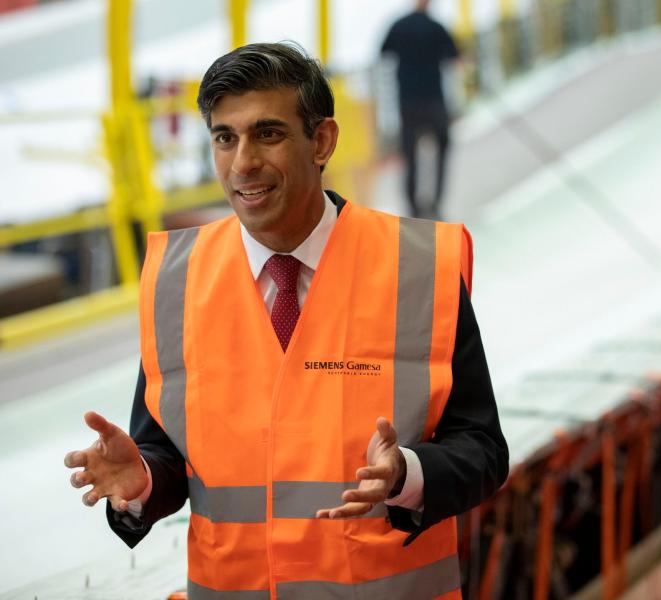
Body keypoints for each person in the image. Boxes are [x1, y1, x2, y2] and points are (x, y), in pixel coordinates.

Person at [63, 42, 508, 598]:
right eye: (225, 138)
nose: (242, 163)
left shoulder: (418, 267)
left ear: (321, 141)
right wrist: (143, 483)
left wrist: (407, 475)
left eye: (267, 134)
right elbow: (169, 455)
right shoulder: (177, 281)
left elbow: (483, 449)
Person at [381, 0, 460, 219]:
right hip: (433, 99)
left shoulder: (398, 26)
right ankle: (435, 201)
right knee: (442, 148)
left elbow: (384, 53)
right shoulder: (436, 27)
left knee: (410, 154)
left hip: (407, 101)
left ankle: (413, 206)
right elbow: (455, 57)